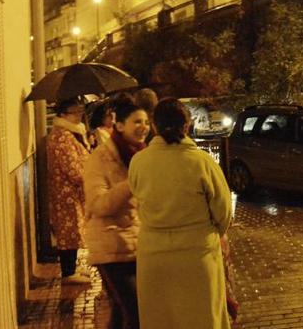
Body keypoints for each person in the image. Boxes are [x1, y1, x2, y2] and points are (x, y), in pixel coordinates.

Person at [128, 98, 232, 328]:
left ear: (154, 126)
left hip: (153, 257)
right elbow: (223, 211)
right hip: (197, 257)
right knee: (202, 319)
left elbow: (138, 199)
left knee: (162, 320)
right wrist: (214, 233)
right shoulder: (202, 162)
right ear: (187, 125)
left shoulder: (138, 162)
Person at [84, 96, 150, 328]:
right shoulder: (99, 158)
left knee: (123, 313)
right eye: (137, 122)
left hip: (137, 246)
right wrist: (131, 183)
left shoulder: (142, 156)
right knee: (135, 313)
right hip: (111, 248)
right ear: (119, 125)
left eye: (146, 122)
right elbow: (98, 204)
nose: (144, 127)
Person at [46, 97, 92, 284]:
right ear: (63, 114)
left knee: (72, 229)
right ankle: (68, 272)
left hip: (70, 192)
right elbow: (72, 167)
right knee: (69, 230)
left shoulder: (69, 133)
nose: (79, 116)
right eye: (75, 112)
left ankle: (71, 268)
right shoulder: (62, 136)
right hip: (66, 193)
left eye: (80, 112)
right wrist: (88, 178)